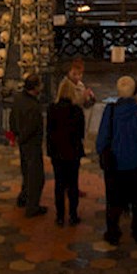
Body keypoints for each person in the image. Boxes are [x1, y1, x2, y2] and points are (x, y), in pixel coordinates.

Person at [95, 75, 137, 245]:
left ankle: (113, 232)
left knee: (113, 200)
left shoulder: (111, 111)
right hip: (136, 162)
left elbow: (102, 137)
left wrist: (102, 152)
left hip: (114, 163)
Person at [46, 78, 87, 226]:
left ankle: (59, 216)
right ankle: (73, 215)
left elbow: (49, 131)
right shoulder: (76, 111)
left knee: (59, 184)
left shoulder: (52, 109)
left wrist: (50, 150)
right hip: (73, 152)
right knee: (72, 184)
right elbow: (81, 133)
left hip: (57, 153)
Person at [10, 74, 47, 217]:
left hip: (22, 142)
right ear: (36, 87)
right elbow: (32, 128)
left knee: (26, 171)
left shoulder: (18, 98)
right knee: (36, 177)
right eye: (40, 84)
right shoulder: (33, 107)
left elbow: (12, 118)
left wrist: (14, 135)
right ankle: (32, 207)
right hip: (31, 144)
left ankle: (23, 198)